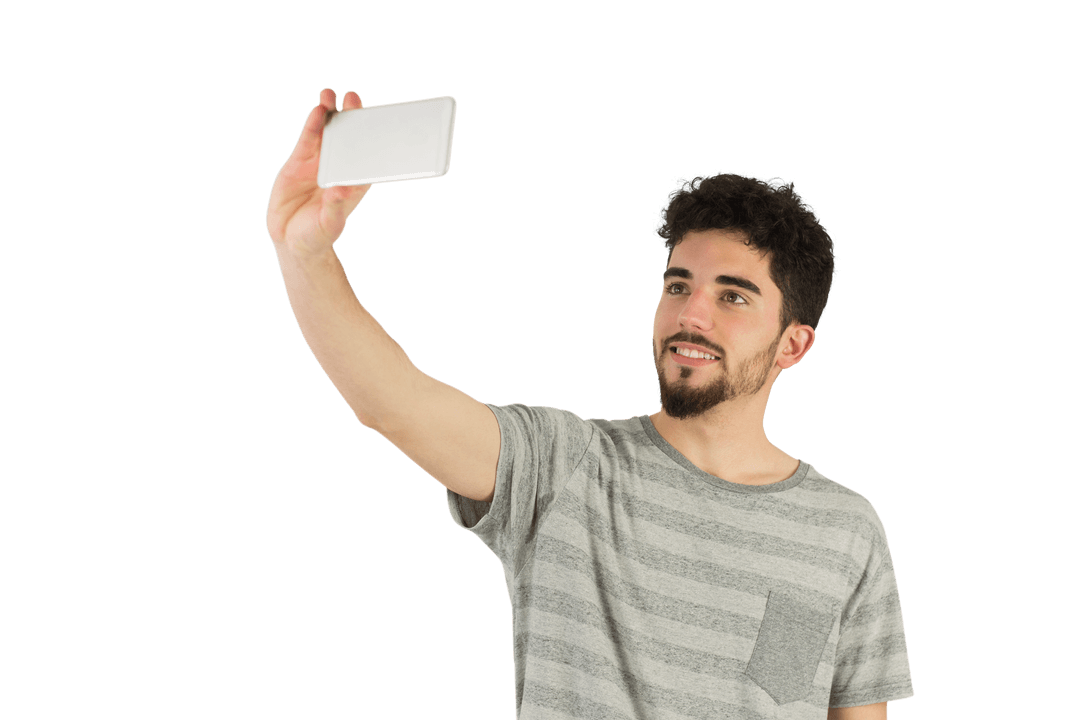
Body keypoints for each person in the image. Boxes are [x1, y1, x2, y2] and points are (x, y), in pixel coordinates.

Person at [266, 87, 914, 720]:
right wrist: (304, 252)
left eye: (733, 296)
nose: (691, 315)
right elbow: (393, 402)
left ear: (792, 345)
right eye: (678, 284)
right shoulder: (567, 468)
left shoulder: (842, 531)